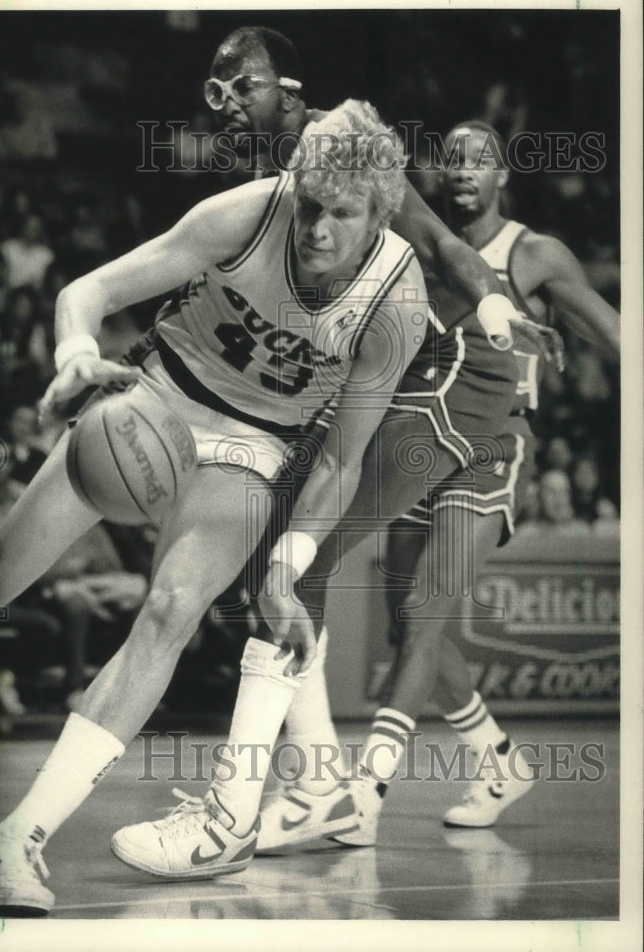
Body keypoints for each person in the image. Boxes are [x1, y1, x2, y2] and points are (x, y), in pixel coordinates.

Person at [0, 99, 428, 913]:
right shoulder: (246, 215)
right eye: (308, 204)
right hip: (155, 401)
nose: (315, 228)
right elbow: (88, 290)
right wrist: (73, 358)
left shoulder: (395, 302)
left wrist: (286, 567)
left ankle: (14, 841)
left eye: (339, 215)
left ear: (377, 213)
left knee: (170, 612)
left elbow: (343, 458)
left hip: (252, 446)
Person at [106, 31, 559, 878]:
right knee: (281, 576)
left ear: (287, 88)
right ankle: (332, 783)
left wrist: (493, 309)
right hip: (351, 379)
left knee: (296, 573)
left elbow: (435, 241)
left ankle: (244, 809)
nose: (227, 102)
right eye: (215, 89)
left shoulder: (342, 144)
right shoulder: (251, 176)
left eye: (242, 85)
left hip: (434, 380)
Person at [251, 120, 619, 852]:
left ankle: (361, 794)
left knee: (424, 611)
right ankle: (498, 761)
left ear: (502, 176)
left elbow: (613, 333)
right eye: (450, 159)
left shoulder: (532, 253)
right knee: (408, 623)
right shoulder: (416, 244)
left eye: (478, 161)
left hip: (490, 444)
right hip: (418, 430)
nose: (461, 171)